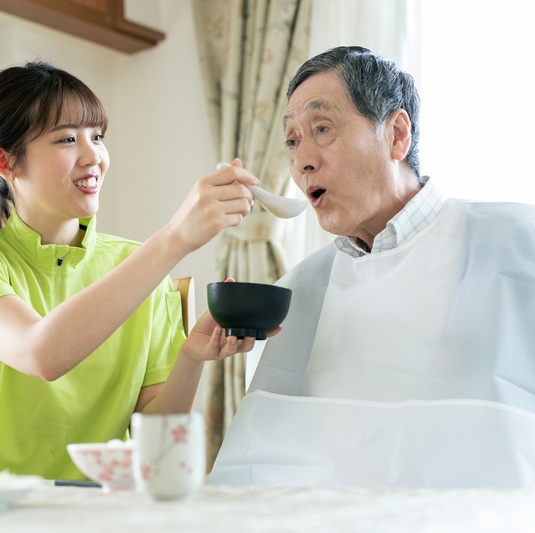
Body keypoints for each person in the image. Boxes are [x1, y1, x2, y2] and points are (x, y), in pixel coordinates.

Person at [208, 46, 535, 488]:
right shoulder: (300, 289)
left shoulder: (517, 240)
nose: (302, 160)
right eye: (292, 140)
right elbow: (259, 466)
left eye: (321, 128)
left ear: (397, 135)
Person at [0, 62, 269, 480]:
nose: (94, 157)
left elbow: (156, 439)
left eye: (98, 136)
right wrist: (174, 239)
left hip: (97, 510)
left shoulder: (139, 268)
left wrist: (190, 356)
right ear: (5, 161)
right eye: (68, 139)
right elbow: (42, 354)